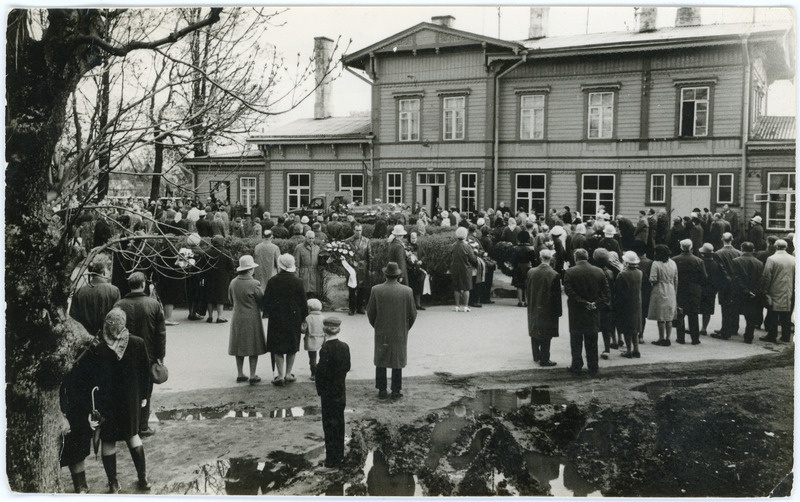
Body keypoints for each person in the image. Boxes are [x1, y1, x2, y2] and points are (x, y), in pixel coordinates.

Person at [94, 308, 152, 493]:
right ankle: (143, 479)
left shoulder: (99, 348)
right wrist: (144, 396)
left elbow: (92, 378)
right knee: (133, 436)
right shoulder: (137, 343)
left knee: (108, 441)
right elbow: (146, 374)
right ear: (123, 323)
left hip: (107, 402)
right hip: (130, 401)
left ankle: (113, 484)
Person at [114, 272, 166, 438]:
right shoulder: (154, 304)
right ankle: (143, 425)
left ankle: (127, 425)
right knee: (146, 391)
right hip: (148, 354)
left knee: (126, 389)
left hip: (124, 353)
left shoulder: (119, 305)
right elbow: (160, 333)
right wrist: (160, 355)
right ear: (143, 284)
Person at [367, 261, 417, 399]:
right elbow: (413, 314)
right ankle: (396, 390)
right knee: (397, 360)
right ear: (398, 276)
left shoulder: (376, 290)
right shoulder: (407, 291)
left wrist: (377, 325)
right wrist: (405, 327)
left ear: (385, 275)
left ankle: (382, 390)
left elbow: (370, 312)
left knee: (381, 358)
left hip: (382, 330)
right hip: (399, 330)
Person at [59, 336, 101, 493]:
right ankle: (78, 485)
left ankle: (80, 485)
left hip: (77, 399)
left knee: (76, 441)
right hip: (66, 397)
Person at [263, 254, 309, 386]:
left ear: (280, 266)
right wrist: (304, 319)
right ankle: (289, 374)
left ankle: (280, 375)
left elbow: (266, 302)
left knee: (277, 347)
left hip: (277, 318)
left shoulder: (272, 281)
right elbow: (303, 303)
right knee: (292, 346)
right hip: (294, 317)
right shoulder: (298, 282)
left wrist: (269, 311)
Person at [563, 249, 609, 377]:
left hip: (576, 311)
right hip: (593, 311)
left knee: (576, 339)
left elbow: (569, 291)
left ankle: (576, 365)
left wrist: (583, 302)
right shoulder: (599, 271)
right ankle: (593, 366)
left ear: (575, 257)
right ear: (588, 257)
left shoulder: (570, 272)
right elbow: (605, 292)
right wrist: (595, 303)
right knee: (592, 339)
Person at [315, 317, 351, 468]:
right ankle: (340, 456)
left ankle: (331, 459)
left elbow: (322, 372)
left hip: (328, 393)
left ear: (324, 330)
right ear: (338, 329)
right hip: (340, 390)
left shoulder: (325, 349)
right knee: (339, 423)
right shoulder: (344, 346)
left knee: (329, 426)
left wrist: (320, 389)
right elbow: (347, 367)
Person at [228, 255, 268, 384]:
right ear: (250, 269)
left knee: (238, 346)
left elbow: (230, 299)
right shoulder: (254, 283)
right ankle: (252, 375)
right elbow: (261, 300)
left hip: (237, 316)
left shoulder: (233, 282)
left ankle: (240, 373)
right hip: (252, 317)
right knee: (253, 346)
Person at [525, 249, 561, 367]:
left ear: (540, 258)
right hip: (547, 307)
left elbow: (528, 289)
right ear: (551, 259)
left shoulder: (531, 272)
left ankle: (536, 355)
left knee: (534, 329)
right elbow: (556, 297)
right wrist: (558, 312)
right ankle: (545, 358)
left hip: (533, 305)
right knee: (546, 333)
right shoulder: (554, 274)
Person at [69, 254, 120, 336]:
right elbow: (117, 318)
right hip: (106, 338)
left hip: (84, 338)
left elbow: (73, 317)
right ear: (103, 272)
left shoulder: (80, 292)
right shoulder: (114, 291)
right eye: (108, 270)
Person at [760, 239, 795, 343]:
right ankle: (786, 335)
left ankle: (772, 335)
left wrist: (764, 290)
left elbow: (766, 276)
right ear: (786, 247)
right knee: (786, 313)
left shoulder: (771, 259)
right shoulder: (793, 259)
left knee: (773, 313)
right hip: (789, 289)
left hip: (774, 289)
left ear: (775, 246)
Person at [672, 239, 707, 345]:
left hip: (680, 288)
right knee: (693, 314)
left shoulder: (674, 260)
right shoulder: (698, 260)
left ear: (681, 247)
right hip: (694, 289)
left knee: (680, 313)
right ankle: (695, 338)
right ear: (691, 248)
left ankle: (680, 338)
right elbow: (704, 276)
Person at [731, 242, 765, 344]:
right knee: (750, 316)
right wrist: (753, 292)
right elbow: (760, 280)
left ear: (742, 249)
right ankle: (749, 336)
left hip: (739, 292)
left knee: (734, 311)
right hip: (753, 294)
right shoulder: (759, 263)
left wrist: (745, 290)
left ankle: (733, 330)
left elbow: (736, 278)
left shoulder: (736, 261)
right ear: (753, 250)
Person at [648, 244, 678, 346]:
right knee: (669, 316)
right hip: (671, 288)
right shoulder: (673, 263)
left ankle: (661, 338)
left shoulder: (656, 263)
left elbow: (653, 278)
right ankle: (668, 338)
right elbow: (676, 279)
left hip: (660, 288)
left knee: (660, 316)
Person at [614, 251, 643, 358]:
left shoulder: (622, 274)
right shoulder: (640, 273)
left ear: (626, 262)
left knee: (626, 328)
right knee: (635, 328)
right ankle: (636, 349)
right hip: (636, 303)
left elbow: (618, 290)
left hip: (625, 304)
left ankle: (629, 350)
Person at [714, 232, 742, 339]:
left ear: (722, 239)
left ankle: (725, 329)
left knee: (725, 308)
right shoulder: (738, 253)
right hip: (736, 283)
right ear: (732, 239)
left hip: (724, 284)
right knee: (735, 306)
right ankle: (734, 328)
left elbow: (719, 271)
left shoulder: (718, 253)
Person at [204, 235, 234, 323]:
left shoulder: (207, 252)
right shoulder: (226, 253)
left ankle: (209, 317)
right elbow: (231, 267)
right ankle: (220, 316)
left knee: (210, 297)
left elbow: (203, 266)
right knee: (220, 297)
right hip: (222, 278)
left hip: (209, 277)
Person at [344, 224, 372, 315]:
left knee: (362, 288)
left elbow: (370, 256)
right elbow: (345, 256)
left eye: (360, 230)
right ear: (353, 230)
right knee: (352, 288)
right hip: (351, 268)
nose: (358, 232)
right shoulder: (348, 241)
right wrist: (351, 262)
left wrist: (370, 269)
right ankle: (352, 308)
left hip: (363, 267)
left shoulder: (367, 241)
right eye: (356, 230)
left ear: (362, 230)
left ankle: (361, 307)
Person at [450, 226, 478, 312]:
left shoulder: (453, 245)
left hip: (455, 268)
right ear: (465, 235)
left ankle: (457, 306)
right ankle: (465, 306)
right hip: (466, 268)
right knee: (466, 288)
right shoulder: (467, 246)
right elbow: (473, 259)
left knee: (456, 287)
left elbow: (450, 256)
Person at [294, 230, 321, 299]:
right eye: (309, 238)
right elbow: (296, 264)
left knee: (313, 295)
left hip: (314, 274)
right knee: (303, 294)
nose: (311, 240)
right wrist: (296, 277)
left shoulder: (317, 248)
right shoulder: (299, 248)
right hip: (304, 274)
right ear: (305, 237)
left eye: (312, 238)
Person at [303, 298, 325, 381]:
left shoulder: (307, 318)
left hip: (311, 339)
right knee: (322, 356)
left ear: (309, 308)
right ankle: (322, 372)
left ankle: (313, 373)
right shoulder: (323, 317)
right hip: (321, 338)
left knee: (312, 357)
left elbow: (303, 330)